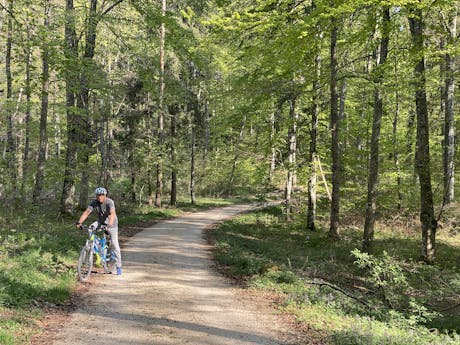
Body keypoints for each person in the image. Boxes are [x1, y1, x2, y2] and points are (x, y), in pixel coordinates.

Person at [76, 187, 122, 275]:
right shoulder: (94, 202)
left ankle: (119, 266)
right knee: (90, 227)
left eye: (101, 195)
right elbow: (87, 212)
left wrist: (109, 225)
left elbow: (112, 214)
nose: (99, 197)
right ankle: (93, 246)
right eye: (97, 195)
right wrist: (80, 222)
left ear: (105, 195)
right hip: (101, 222)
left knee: (115, 244)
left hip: (112, 224)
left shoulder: (109, 202)